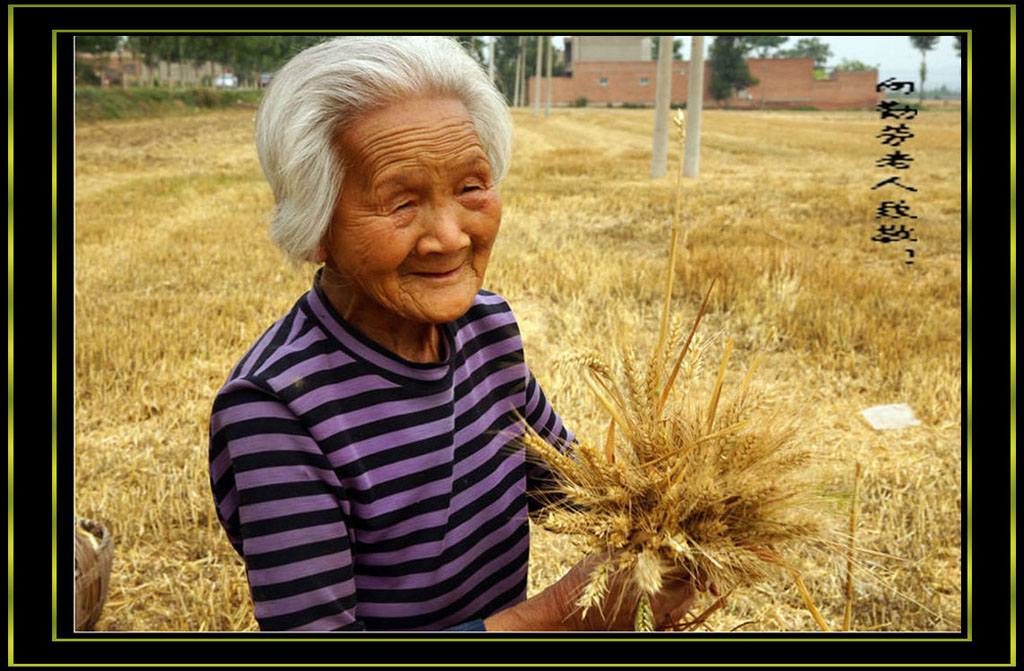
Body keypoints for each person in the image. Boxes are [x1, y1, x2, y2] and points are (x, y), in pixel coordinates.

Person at [208, 35, 700, 632]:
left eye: (471, 187)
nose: (450, 237)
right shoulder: (276, 410)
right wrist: (557, 616)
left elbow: (571, 490)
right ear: (313, 226)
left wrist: (682, 522)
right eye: (401, 201)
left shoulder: (487, 331)